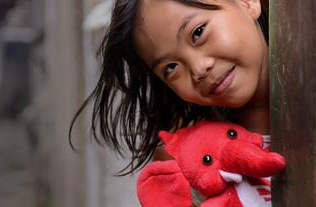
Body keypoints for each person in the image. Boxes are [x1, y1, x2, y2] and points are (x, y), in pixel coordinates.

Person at [71, 0, 270, 176]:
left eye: (198, 32)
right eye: (171, 67)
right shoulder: (202, 166)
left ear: (247, 2)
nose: (198, 69)